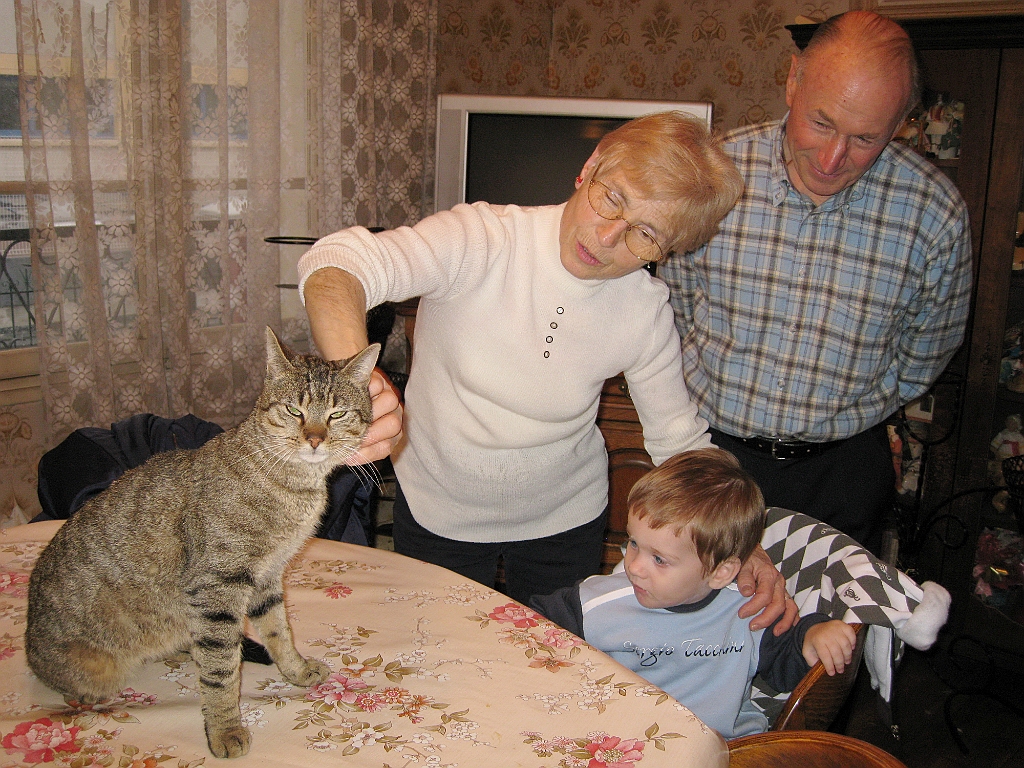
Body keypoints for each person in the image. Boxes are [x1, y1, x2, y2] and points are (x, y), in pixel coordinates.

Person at [297, 111, 794, 630]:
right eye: (612, 198)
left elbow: (678, 440)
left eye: (645, 234)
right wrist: (353, 380)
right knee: (434, 648)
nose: (607, 237)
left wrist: (741, 543)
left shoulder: (644, 311)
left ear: (669, 251)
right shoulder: (480, 239)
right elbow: (337, 263)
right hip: (438, 510)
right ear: (590, 166)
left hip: (565, 522)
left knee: (552, 661)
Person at [660, 11, 973, 550]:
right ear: (793, 80)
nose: (832, 159)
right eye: (821, 123)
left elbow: (925, 354)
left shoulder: (934, 212)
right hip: (710, 458)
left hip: (841, 473)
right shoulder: (713, 175)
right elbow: (673, 306)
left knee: (828, 608)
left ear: (901, 122)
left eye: (865, 138)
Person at [529, 448, 858, 739]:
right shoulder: (595, 603)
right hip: (622, 740)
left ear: (721, 572)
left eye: (659, 559)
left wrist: (814, 634)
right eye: (634, 543)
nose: (634, 567)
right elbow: (527, 627)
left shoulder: (748, 612)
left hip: (724, 747)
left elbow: (786, 664)